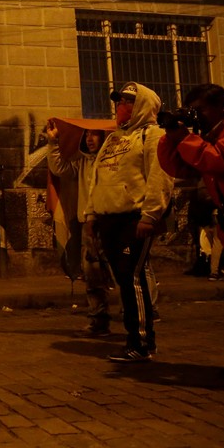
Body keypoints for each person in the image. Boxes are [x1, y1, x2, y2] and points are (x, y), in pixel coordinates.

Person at [157, 83, 224, 394]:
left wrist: (186, 137)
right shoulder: (206, 134)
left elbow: (221, 161)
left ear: (221, 106)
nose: (196, 116)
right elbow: (179, 167)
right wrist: (172, 135)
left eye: (200, 110)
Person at [83, 82, 174, 362]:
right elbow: (98, 177)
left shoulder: (153, 135)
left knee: (133, 279)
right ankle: (135, 339)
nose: (119, 106)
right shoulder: (113, 138)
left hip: (133, 219)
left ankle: (141, 343)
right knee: (124, 280)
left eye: (126, 101)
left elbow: (161, 177)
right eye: (119, 101)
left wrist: (150, 215)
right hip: (109, 219)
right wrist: (91, 213)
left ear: (142, 105)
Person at [46, 121, 113, 336]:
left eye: (95, 134)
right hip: (89, 226)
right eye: (87, 135)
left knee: (124, 274)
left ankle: (141, 319)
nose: (89, 139)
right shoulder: (82, 162)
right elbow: (59, 168)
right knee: (93, 276)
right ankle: (98, 321)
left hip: (112, 222)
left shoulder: (113, 161)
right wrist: (53, 142)